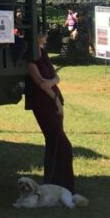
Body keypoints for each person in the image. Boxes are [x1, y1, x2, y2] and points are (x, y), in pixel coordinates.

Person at [26, 30, 77, 192]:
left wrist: (52, 84)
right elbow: (41, 82)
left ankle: (54, 181)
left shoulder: (43, 52)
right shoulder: (31, 57)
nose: (46, 36)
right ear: (36, 37)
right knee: (64, 146)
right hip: (44, 103)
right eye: (43, 33)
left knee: (54, 144)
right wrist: (55, 99)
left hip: (53, 99)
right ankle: (63, 184)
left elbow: (56, 77)